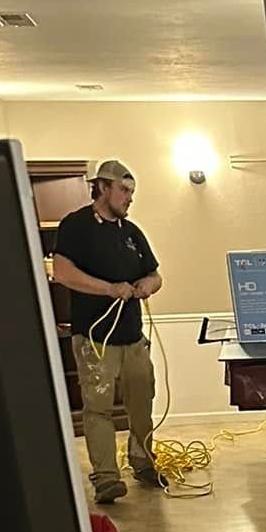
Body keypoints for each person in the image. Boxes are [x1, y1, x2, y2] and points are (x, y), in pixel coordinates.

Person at [51, 159, 163, 505]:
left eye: (132, 192)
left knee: (142, 400)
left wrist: (147, 284)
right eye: (124, 190)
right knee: (98, 407)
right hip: (95, 338)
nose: (130, 198)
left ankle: (143, 461)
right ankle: (106, 478)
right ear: (102, 187)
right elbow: (64, 273)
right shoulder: (76, 226)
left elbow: (155, 275)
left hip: (133, 337)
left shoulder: (131, 233)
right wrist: (109, 289)